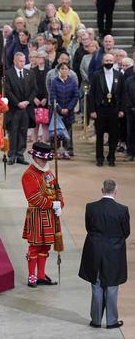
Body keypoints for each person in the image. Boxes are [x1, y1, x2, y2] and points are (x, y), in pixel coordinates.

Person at [78, 180, 129, 329]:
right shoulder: (122, 209)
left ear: (102, 190)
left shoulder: (91, 207)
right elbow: (126, 232)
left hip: (95, 249)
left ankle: (96, 320)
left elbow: (89, 227)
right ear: (115, 191)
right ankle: (112, 321)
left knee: (97, 283)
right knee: (112, 285)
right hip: (114, 251)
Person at [21, 142, 63, 288]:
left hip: (50, 216)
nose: (45, 162)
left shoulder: (49, 173)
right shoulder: (29, 175)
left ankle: (41, 275)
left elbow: (58, 190)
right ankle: (32, 275)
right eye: (42, 159)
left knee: (46, 247)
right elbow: (33, 198)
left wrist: (60, 204)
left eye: (46, 159)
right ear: (35, 157)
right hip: (37, 215)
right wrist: (52, 204)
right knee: (35, 246)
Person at [89, 53, 125, 167]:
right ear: (103, 61)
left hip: (114, 109)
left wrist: (121, 109)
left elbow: (123, 94)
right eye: (106, 60)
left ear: (114, 61)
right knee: (99, 135)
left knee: (113, 135)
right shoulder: (96, 75)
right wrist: (92, 110)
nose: (108, 62)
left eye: (110, 60)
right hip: (100, 109)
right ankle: (99, 158)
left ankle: (111, 157)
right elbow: (92, 94)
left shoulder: (119, 75)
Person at [5, 52, 36, 164]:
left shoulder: (30, 73)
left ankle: (20, 155)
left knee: (23, 131)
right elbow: (7, 91)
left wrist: (27, 101)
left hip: (26, 108)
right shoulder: (8, 74)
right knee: (13, 132)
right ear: (14, 61)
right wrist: (18, 103)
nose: (22, 63)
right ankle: (12, 155)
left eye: (23, 61)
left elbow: (34, 89)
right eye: (20, 61)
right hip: (14, 108)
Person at [49, 62, 79, 159]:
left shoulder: (73, 82)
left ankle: (68, 150)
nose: (64, 70)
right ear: (58, 70)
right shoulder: (54, 82)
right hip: (58, 112)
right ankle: (55, 150)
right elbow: (52, 97)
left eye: (66, 69)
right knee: (56, 132)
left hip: (69, 112)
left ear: (69, 71)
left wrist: (68, 108)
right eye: (62, 69)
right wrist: (59, 109)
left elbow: (75, 96)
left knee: (68, 131)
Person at [126, 73, 135, 161]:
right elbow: (126, 94)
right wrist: (131, 107)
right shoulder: (129, 80)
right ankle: (130, 153)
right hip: (131, 111)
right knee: (131, 132)